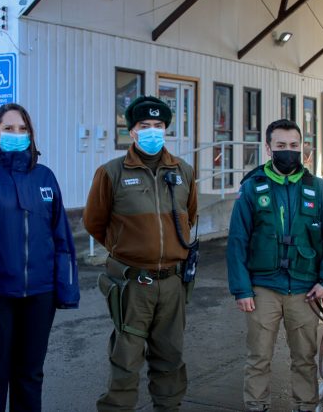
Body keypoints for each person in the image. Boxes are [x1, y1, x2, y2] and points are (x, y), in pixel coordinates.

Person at [84, 96, 198, 411]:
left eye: (158, 126)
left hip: (173, 284)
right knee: (125, 360)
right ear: (132, 131)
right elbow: (94, 222)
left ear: (166, 129)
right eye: (144, 126)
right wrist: (130, 250)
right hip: (133, 285)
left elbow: (190, 216)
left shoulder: (184, 171)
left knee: (171, 358)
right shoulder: (111, 173)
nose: (152, 131)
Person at [0, 103, 79, 412]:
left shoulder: (44, 177)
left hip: (39, 295)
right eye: (9, 128)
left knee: (30, 375)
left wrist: (65, 288)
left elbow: (61, 237)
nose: (17, 134)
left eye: (23, 129)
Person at [226, 119, 323, 412]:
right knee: (259, 356)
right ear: (268, 148)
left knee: (305, 356)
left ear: (302, 147)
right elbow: (237, 241)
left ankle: (305, 405)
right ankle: (256, 405)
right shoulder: (253, 188)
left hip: (305, 289)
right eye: (281, 146)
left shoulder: (317, 188)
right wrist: (242, 289)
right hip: (263, 288)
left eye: (294, 146)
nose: (288, 151)